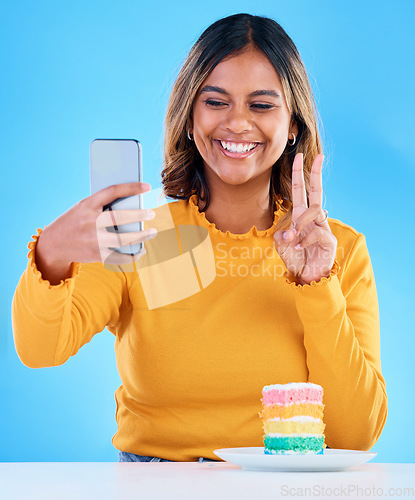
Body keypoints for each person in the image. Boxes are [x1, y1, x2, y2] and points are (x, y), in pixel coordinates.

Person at [12, 13, 387, 462]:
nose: (238, 123)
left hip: (283, 485)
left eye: (262, 105)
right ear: (190, 117)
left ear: (293, 127)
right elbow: (40, 351)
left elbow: (357, 434)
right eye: (216, 101)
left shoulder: (339, 252)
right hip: (151, 484)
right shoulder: (139, 235)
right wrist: (51, 254)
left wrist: (316, 285)